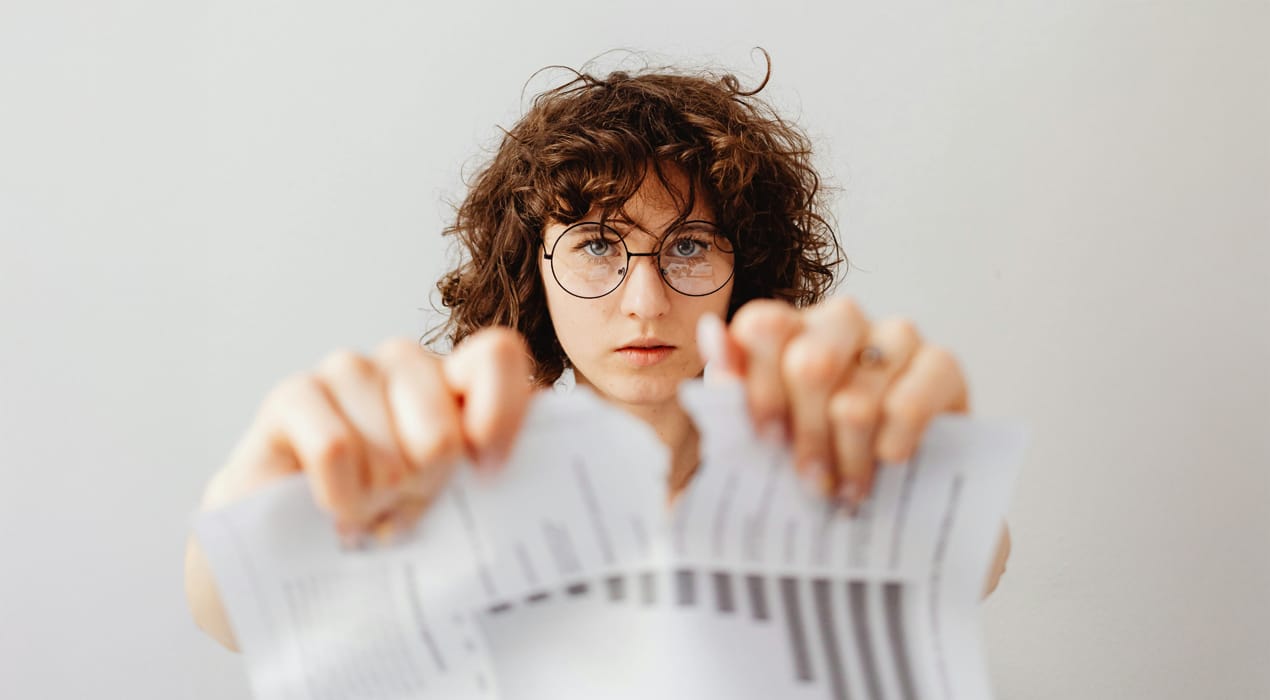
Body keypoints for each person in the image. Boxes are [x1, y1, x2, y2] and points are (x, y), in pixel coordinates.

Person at [184, 54, 1011, 653]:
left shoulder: (811, 472)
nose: (644, 300)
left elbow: (974, 557)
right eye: (596, 247)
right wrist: (261, 500)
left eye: (689, 247)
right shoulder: (458, 477)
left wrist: (921, 456)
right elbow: (231, 609)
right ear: (531, 271)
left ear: (743, 269)